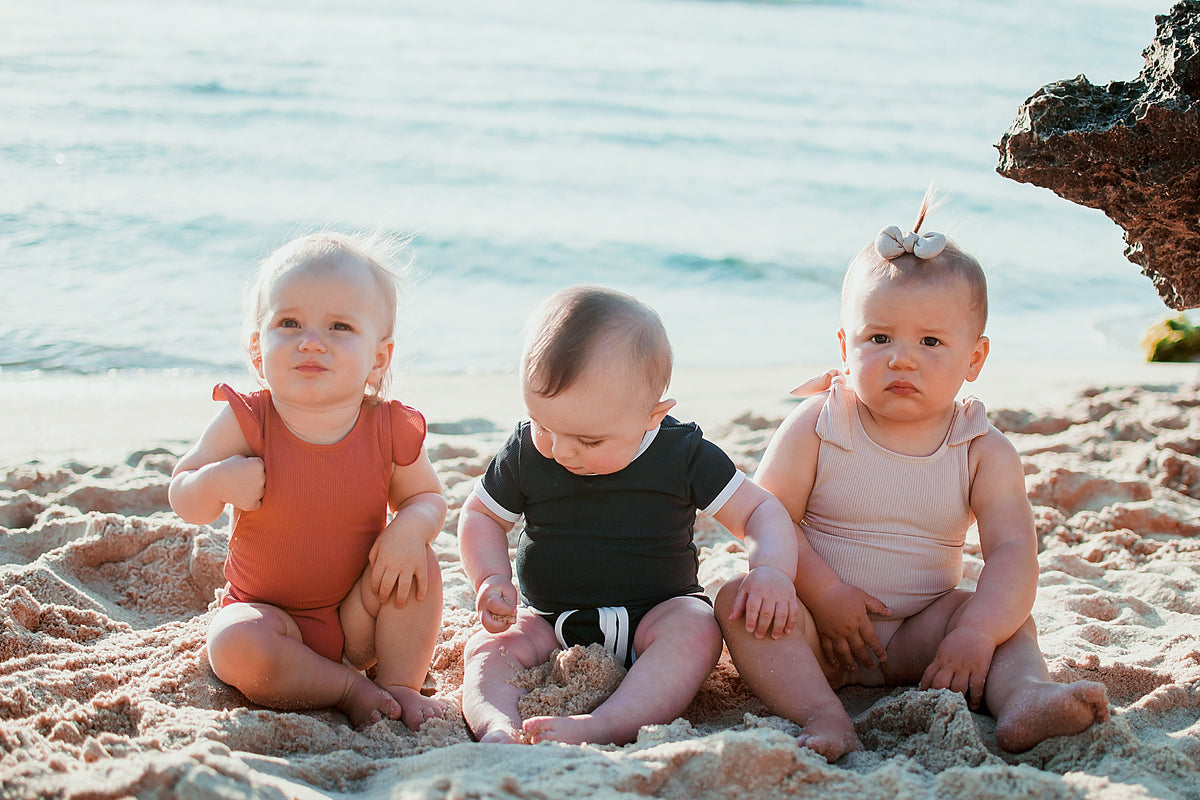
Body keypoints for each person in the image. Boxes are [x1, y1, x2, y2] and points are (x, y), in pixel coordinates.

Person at [717, 193, 1111, 762]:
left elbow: (1012, 553)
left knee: (1005, 615)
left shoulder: (981, 448)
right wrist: (824, 595)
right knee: (739, 602)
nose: (903, 358)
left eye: (930, 342)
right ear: (844, 346)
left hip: (923, 636)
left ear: (974, 359)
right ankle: (821, 711)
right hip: (819, 631)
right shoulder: (820, 423)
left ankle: (1026, 697)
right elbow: (766, 515)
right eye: (879, 338)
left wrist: (973, 633)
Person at [457, 285, 801, 745]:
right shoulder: (526, 451)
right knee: (488, 647)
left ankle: (610, 723)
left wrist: (771, 570)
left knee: (697, 631)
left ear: (652, 416)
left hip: (655, 613)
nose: (560, 451)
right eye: (543, 425)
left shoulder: (682, 454)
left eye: (589, 441)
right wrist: (490, 578)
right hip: (548, 619)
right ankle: (496, 724)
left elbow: (759, 509)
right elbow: (481, 515)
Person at [169, 231, 448, 730]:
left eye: (339, 326)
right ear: (258, 350)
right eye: (289, 322)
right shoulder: (248, 419)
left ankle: (400, 684)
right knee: (232, 647)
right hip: (266, 615)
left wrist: (410, 529)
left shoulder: (386, 427)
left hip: (356, 615)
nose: (311, 340)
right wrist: (215, 481)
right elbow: (183, 492)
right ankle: (346, 687)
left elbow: (426, 497)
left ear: (378, 359)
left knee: (418, 564)